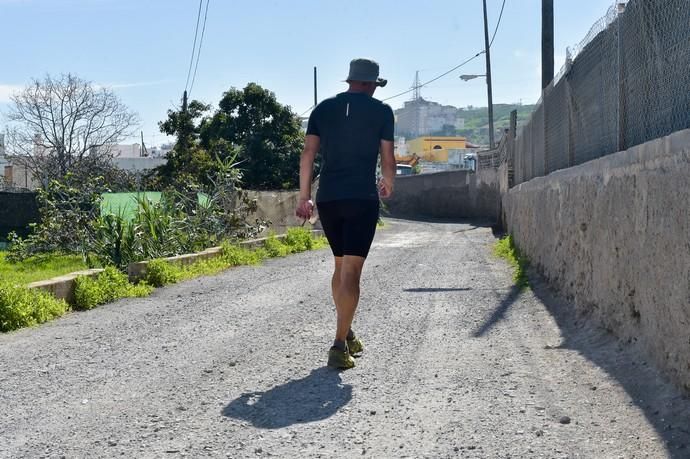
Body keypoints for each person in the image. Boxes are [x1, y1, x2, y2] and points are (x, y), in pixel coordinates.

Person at [296, 58, 396, 369]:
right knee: (351, 272)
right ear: (370, 85)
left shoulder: (322, 110)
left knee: (340, 267)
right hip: (361, 198)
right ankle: (339, 346)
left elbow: (308, 153)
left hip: (328, 199)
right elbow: (388, 157)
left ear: (350, 81)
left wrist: (305, 197)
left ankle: (347, 330)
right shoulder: (381, 112)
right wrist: (388, 182)